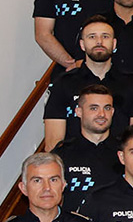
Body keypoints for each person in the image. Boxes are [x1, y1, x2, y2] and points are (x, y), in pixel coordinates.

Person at [43, 15, 133, 149]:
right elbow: (53, 143)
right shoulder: (63, 84)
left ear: (114, 43)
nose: (99, 42)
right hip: (75, 162)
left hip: (118, 163)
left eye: (105, 36)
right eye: (92, 37)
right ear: (82, 44)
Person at [51, 85, 123, 213]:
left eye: (107, 108)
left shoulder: (126, 153)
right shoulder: (61, 155)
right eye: (94, 108)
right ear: (78, 112)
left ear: (112, 112)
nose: (102, 114)